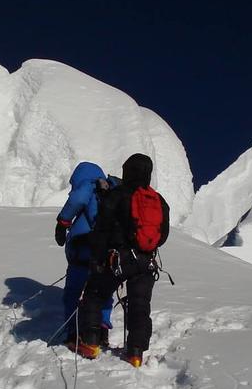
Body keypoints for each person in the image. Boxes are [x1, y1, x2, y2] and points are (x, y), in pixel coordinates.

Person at [75, 153, 170, 367]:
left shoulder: (118, 194)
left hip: (117, 258)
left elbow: (102, 228)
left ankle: (90, 343)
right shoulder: (158, 200)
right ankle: (135, 352)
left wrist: (98, 258)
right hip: (146, 261)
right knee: (140, 304)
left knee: (95, 293)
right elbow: (162, 236)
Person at [55, 161, 115, 348]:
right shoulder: (112, 192)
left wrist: (63, 222)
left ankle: (73, 332)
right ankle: (101, 330)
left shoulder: (90, 185)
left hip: (84, 247)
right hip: (108, 250)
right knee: (102, 291)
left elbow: (78, 198)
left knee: (74, 290)